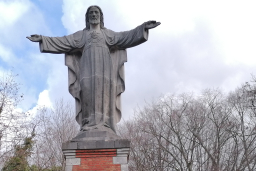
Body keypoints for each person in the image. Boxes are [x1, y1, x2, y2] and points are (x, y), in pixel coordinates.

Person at [27, 6, 160, 136]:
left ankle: (105, 123)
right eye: (91, 13)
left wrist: (143, 27)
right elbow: (63, 42)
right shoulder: (81, 35)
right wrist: (43, 39)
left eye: (96, 13)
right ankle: (87, 124)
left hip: (105, 68)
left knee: (105, 92)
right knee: (87, 91)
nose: (94, 15)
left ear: (101, 17)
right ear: (87, 17)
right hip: (86, 68)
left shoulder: (108, 34)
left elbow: (126, 36)